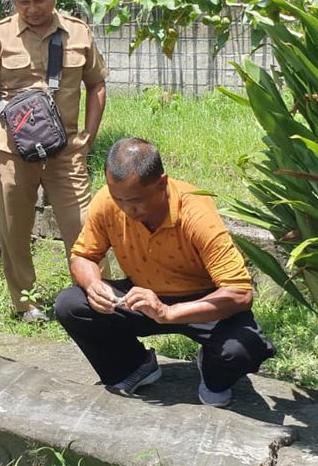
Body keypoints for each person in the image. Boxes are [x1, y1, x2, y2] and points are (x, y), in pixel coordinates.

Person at [54, 138, 275, 406]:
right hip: (141, 296)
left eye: (136, 201)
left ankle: (211, 369)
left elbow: (239, 293)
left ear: (162, 184)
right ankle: (133, 367)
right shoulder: (107, 201)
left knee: (244, 347)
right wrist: (92, 285)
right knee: (72, 304)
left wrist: (168, 312)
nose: (126, 209)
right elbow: (82, 256)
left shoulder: (195, 212)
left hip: (202, 300)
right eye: (118, 198)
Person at [0, 0, 108, 323]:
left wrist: (88, 137)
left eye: (40, 0)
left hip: (66, 150)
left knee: (84, 226)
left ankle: (95, 297)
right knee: (15, 230)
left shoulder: (78, 33)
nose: (32, 9)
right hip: (11, 152)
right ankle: (25, 303)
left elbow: (96, 85)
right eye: (23, 2)